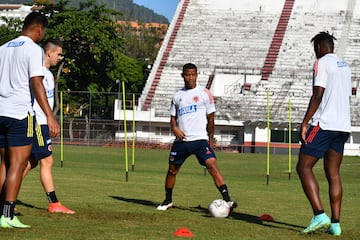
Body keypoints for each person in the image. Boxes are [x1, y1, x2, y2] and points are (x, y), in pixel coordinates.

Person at [0, 11, 59, 228]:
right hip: (19, 113)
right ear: (38, 29)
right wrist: (50, 116)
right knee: (18, 164)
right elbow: (37, 83)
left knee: (4, 165)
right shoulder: (33, 50)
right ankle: (7, 215)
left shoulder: (3, 48)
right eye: (43, 32)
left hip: (1, 112)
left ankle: (1, 211)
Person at [156, 63, 237, 216]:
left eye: (193, 74)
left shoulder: (205, 93)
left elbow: (211, 118)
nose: (190, 78)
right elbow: (173, 119)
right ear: (183, 76)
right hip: (182, 142)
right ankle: (168, 200)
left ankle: (228, 200)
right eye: (187, 74)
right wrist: (174, 129)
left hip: (200, 140)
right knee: (172, 171)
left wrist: (210, 138)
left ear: (197, 75)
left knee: (212, 165)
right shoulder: (177, 95)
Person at [296, 31, 351, 236]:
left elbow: (318, 94)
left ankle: (319, 215)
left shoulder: (321, 63)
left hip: (324, 124)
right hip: (343, 125)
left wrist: (305, 122)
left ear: (319, 47)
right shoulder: (344, 66)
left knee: (303, 167)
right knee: (333, 174)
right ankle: (336, 224)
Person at [22, 39, 75, 215]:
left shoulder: (49, 75)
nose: (61, 57)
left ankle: (7, 194)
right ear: (49, 53)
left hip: (43, 122)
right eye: (59, 54)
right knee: (47, 160)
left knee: (31, 161)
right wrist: (48, 119)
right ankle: (54, 203)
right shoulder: (38, 73)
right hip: (37, 121)